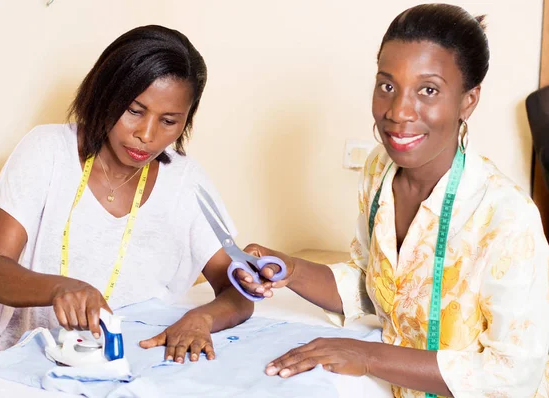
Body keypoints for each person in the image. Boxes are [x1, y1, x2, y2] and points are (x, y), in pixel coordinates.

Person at [234, 4, 549, 397]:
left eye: (428, 90)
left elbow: (514, 375)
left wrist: (369, 356)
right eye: (387, 85)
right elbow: (374, 284)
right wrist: (289, 269)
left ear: (468, 100)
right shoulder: (379, 171)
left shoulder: (506, 218)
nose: (398, 111)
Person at [0, 25, 253, 364]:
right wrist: (60, 288)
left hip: (132, 365)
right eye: (134, 110)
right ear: (103, 93)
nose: (146, 135)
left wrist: (201, 319)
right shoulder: (47, 151)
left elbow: (238, 293)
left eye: (168, 121)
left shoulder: (185, 181)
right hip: (24, 362)